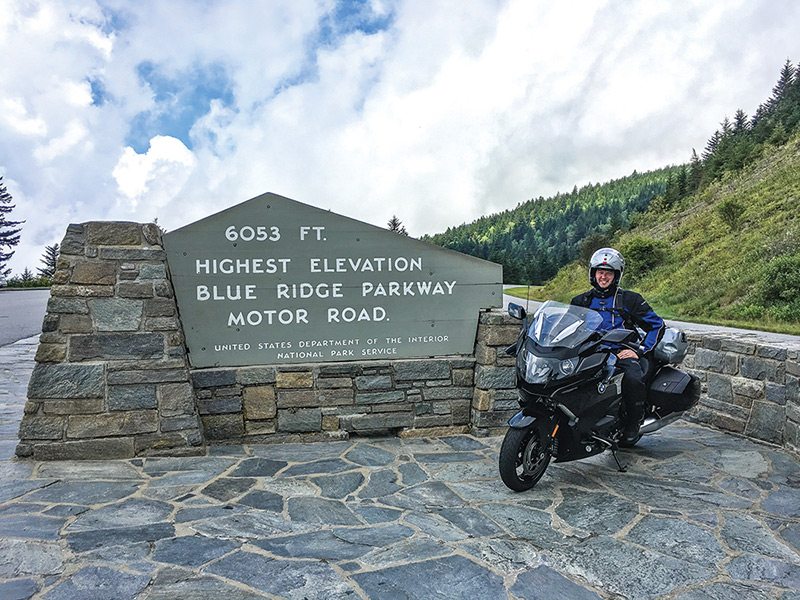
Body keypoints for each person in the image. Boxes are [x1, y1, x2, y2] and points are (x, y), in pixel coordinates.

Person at [571, 248, 664, 444]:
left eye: (609, 273)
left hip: (621, 351)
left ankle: (633, 423)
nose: (603, 277)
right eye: (600, 272)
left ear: (616, 276)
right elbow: (566, 326)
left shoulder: (630, 299)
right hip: (590, 350)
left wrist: (639, 350)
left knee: (632, 378)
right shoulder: (581, 301)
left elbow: (657, 325)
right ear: (593, 274)